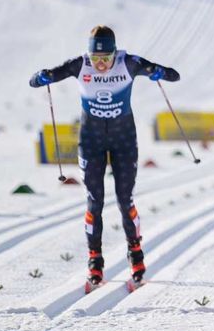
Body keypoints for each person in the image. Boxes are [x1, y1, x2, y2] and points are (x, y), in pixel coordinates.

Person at [29, 25, 180, 292]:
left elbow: (173, 75)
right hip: (91, 141)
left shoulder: (129, 63)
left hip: (123, 141)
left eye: (106, 59)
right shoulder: (80, 64)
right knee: (94, 201)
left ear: (114, 54)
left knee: (125, 199)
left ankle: (136, 258)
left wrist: (158, 72)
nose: (100, 65)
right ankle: (95, 262)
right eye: (96, 59)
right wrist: (43, 77)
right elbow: (41, 78)